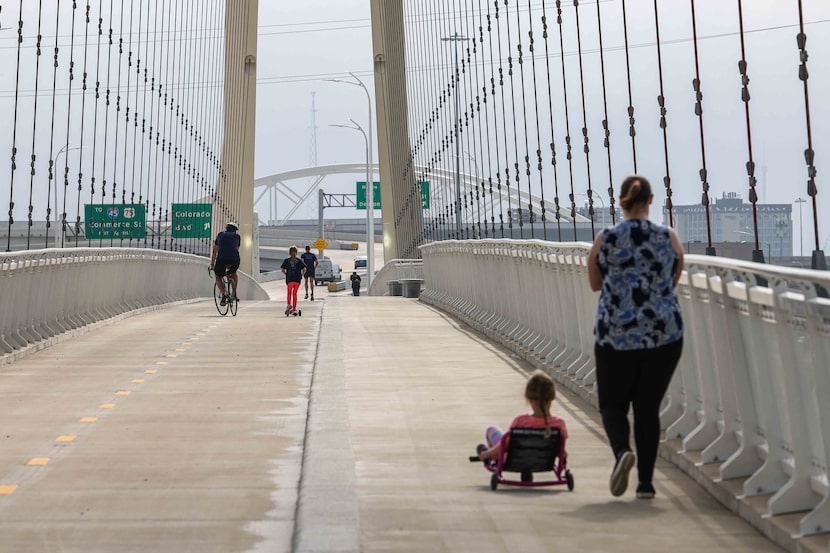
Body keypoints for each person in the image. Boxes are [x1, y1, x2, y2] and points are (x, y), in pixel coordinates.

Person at [587, 175, 684, 500]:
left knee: (613, 405)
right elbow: (674, 278)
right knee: (647, 408)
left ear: (621, 203)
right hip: (663, 336)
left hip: (616, 335)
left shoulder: (607, 238)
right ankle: (645, 484)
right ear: (651, 200)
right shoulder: (668, 237)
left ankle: (621, 453)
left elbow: (595, 284)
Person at [476, 370, 568, 464]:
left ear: (531, 401)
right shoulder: (559, 424)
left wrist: (486, 454)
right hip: (543, 462)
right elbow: (559, 450)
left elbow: (505, 445)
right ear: (552, 398)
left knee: (491, 430)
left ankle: (492, 458)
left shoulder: (521, 422)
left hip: (515, 460)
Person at [210, 222, 241, 306]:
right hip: (234, 259)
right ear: (235, 230)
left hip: (222, 259)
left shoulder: (220, 235)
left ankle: (224, 294)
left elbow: (214, 251)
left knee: (218, 276)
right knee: (234, 272)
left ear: (226, 228)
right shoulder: (237, 236)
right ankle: (233, 293)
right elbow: (237, 249)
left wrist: (212, 264)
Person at [280, 246, 306, 315]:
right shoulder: (299, 261)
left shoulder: (286, 260)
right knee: (295, 294)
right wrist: (302, 275)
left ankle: (289, 305)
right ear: (296, 252)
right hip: (297, 279)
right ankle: (294, 308)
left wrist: (286, 274)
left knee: (289, 293)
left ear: (289, 253)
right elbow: (304, 269)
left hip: (290, 279)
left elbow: (282, 270)